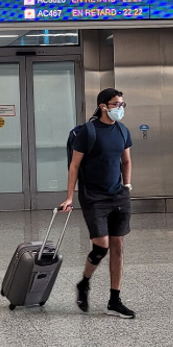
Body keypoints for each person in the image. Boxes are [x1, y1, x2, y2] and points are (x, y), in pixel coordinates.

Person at [60, 87, 135, 319]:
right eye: (115, 104)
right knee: (101, 246)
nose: (119, 108)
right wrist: (70, 196)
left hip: (118, 195)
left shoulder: (123, 131)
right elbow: (74, 166)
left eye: (122, 104)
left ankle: (114, 299)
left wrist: (127, 186)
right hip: (93, 196)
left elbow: (126, 160)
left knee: (118, 247)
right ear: (103, 106)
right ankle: (85, 282)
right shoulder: (88, 132)